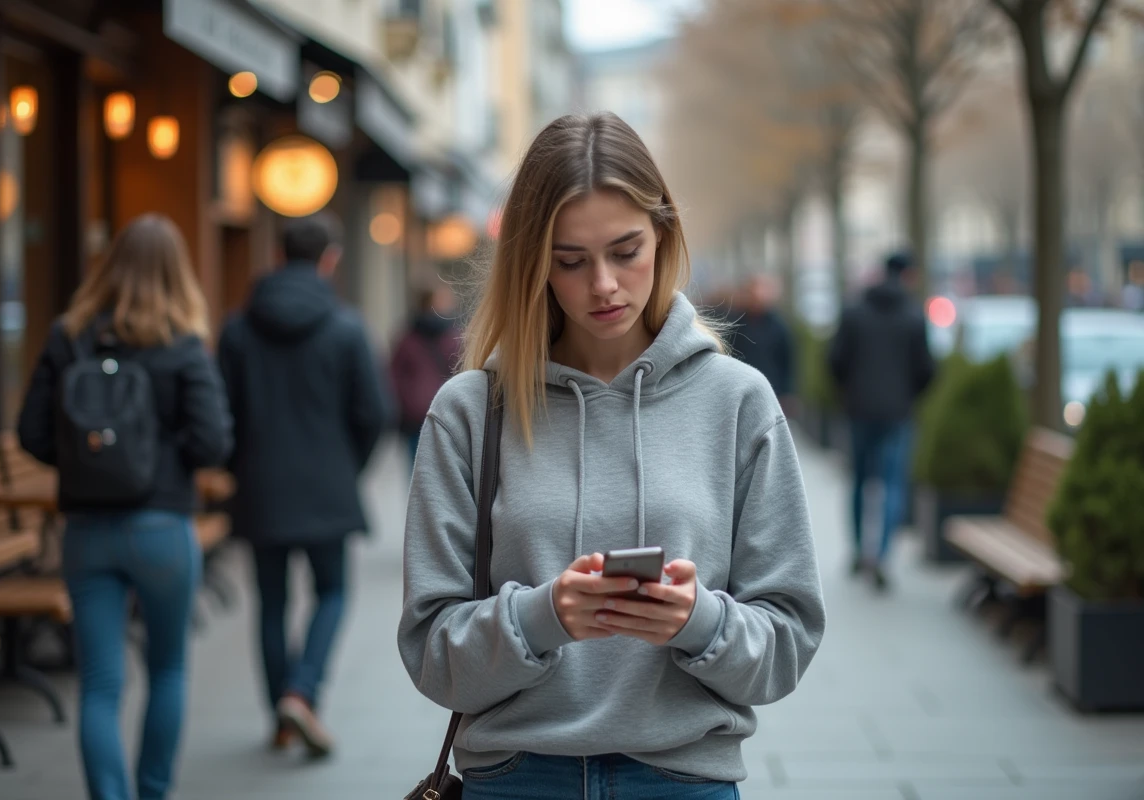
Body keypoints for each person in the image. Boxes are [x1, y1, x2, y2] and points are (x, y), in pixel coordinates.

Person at [398, 112, 826, 797]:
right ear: (535, 265)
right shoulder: (470, 412)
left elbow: (786, 646)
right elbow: (430, 653)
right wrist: (546, 617)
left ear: (664, 235)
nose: (603, 285)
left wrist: (697, 621)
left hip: (683, 780)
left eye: (625, 250)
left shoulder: (738, 402)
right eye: (570, 261)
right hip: (515, 781)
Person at [17, 214, 233, 800]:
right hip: (164, 528)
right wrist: (166, 459)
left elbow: (31, 432)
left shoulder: (69, 336)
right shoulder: (183, 342)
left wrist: (88, 463)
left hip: (87, 530)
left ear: (108, 266)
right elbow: (214, 441)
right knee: (167, 670)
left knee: (100, 685)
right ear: (177, 273)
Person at [217, 212, 393, 758]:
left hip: (261, 486)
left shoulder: (238, 330)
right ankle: (303, 691)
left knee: (270, 603)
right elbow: (376, 412)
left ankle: (283, 714)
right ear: (330, 259)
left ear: (277, 257)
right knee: (333, 592)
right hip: (326, 486)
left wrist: (239, 466)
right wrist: (348, 466)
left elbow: (220, 414)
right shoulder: (345, 327)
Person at [828, 252, 935, 591]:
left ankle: (860, 551)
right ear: (908, 275)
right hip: (897, 413)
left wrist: (850, 390)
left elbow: (835, 360)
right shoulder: (913, 315)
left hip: (858, 410)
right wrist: (908, 396)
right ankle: (884, 554)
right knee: (891, 485)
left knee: (860, 481)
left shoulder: (855, 310)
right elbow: (927, 369)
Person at [390, 281, 462, 466]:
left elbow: (394, 378)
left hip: (417, 418)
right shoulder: (453, 338)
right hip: (442, 417)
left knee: (418, 473)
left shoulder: (406, 338)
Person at [729, 274, 796, 413]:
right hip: (741, 389)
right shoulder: (736, 324)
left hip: (772, 389)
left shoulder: (779, 326)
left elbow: (787, 361)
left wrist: (787, 393)